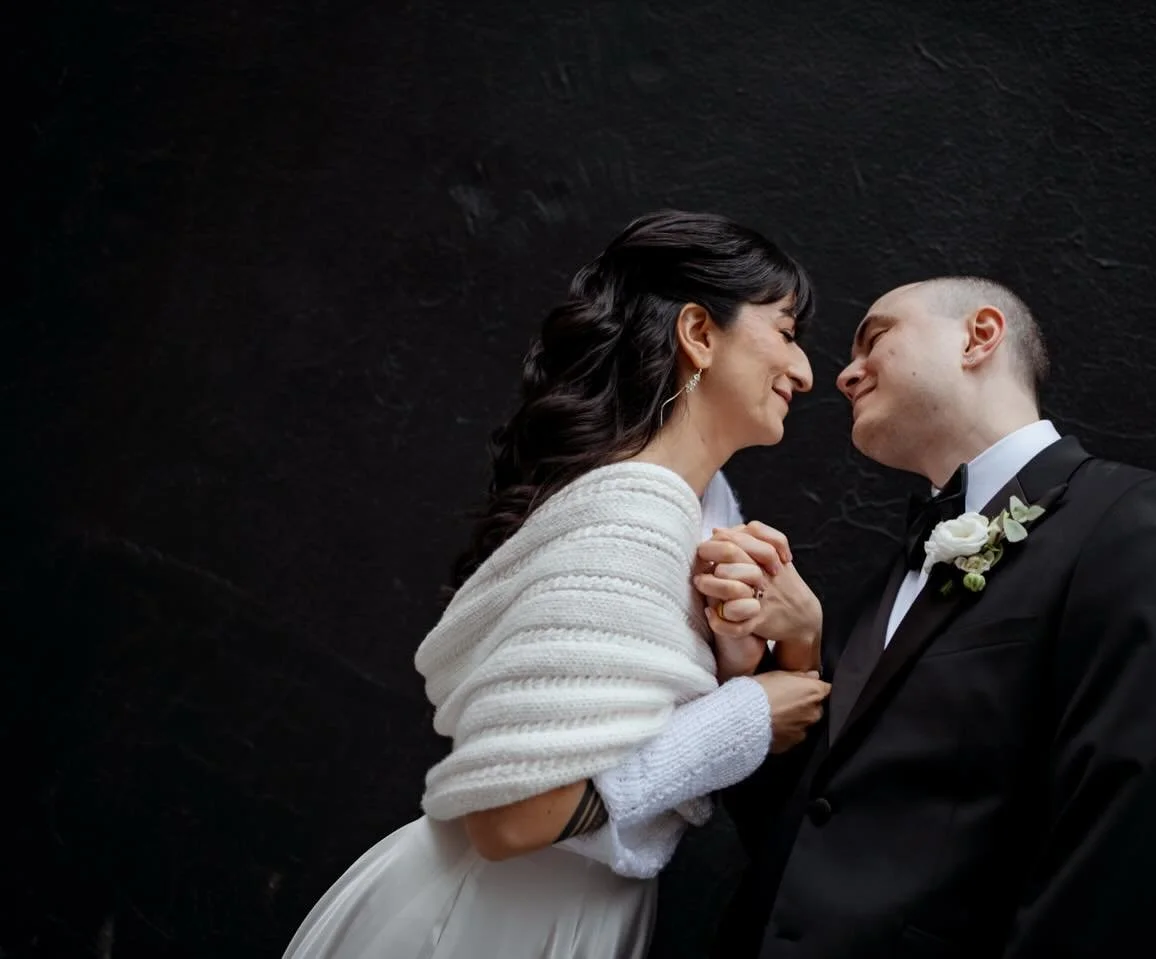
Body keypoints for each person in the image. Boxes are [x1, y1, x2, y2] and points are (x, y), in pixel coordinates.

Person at [282, 210, 831, 959]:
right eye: (787, 331)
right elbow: (509, 818)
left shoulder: (705, 514)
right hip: (485, 925)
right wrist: (741, 718)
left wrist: (755, 654)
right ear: (699, 334)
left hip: (574, 915)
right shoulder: (636, 510)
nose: (804, 371)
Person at [697, 277, 1156, 958]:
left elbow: (1133, 828)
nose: (842, 374)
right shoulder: (881, 588)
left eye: (875, 338)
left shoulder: (1141, 522)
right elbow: (813, 822)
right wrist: (782, 659)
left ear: (980, 335)